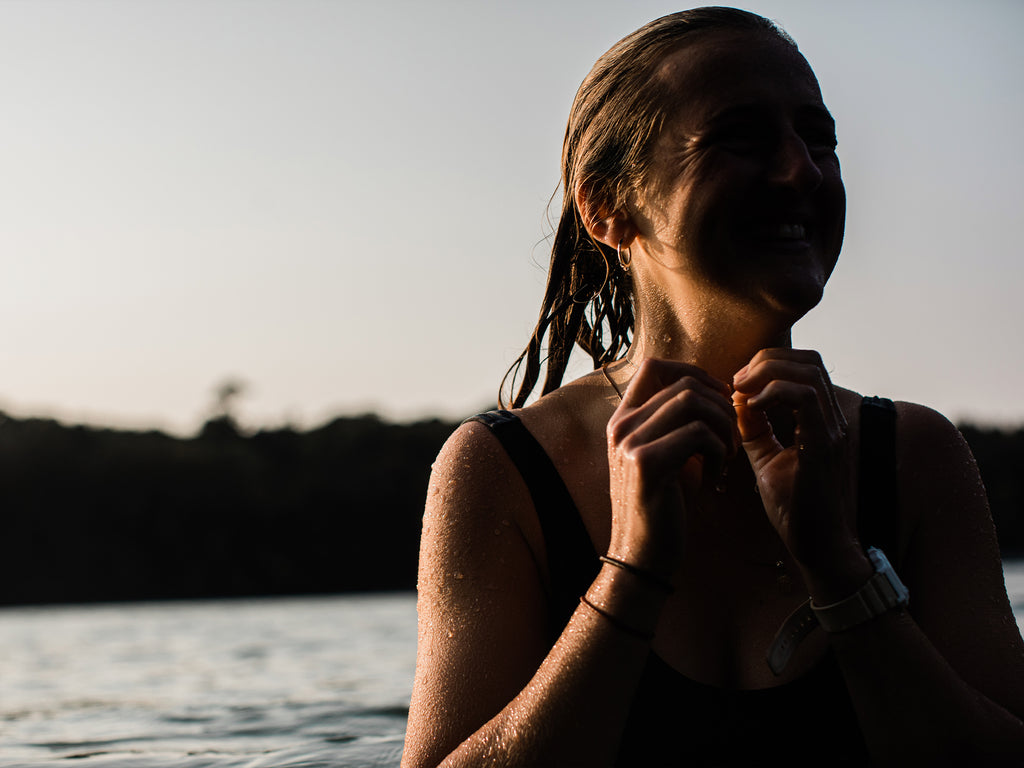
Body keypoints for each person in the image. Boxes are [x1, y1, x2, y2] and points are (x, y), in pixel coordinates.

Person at [400, 8, 1024, 766]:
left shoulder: (914, 457)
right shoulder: (504, 473)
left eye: (819, 138)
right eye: (742, 137)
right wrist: (632, 572)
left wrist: (839, 568)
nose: (802, 170)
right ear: (608, 206)